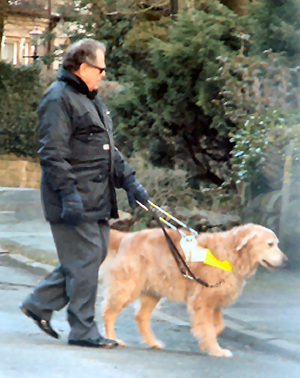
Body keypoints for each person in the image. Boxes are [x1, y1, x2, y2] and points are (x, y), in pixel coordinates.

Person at [19, 38, 149, 348]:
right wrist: (68, 195)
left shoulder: (91, 99)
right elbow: (52, 153)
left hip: (96, 197)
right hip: (72, 198)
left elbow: (107, 152)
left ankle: (39, 303)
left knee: (90, 257)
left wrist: (131, 182)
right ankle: (82, 330)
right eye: (101, 68)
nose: (104, 74)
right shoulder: (58, 99)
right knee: (87, 259)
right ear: (83, 67)